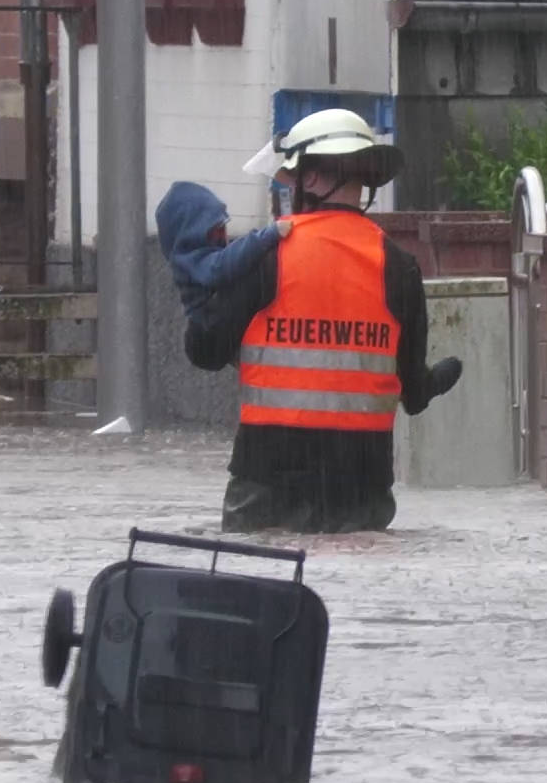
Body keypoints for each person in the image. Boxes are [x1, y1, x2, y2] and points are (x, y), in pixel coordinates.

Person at [183, 108, 463, 533]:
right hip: (361, 488)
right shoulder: (398, 267)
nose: (287, 191)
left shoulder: (266, 254)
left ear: (312, 179)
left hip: (267, 482)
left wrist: (195, 286)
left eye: (291, 179)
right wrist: (435, 380)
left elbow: (204, 351)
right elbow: (413, 393)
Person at [155, 181, 292, 322]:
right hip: (206, 333)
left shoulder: (209, 255)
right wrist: (268, 236)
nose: (223, 235)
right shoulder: (190, 261)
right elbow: (221, 266)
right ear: (192, 233)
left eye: (223, 227)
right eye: (216, 228)